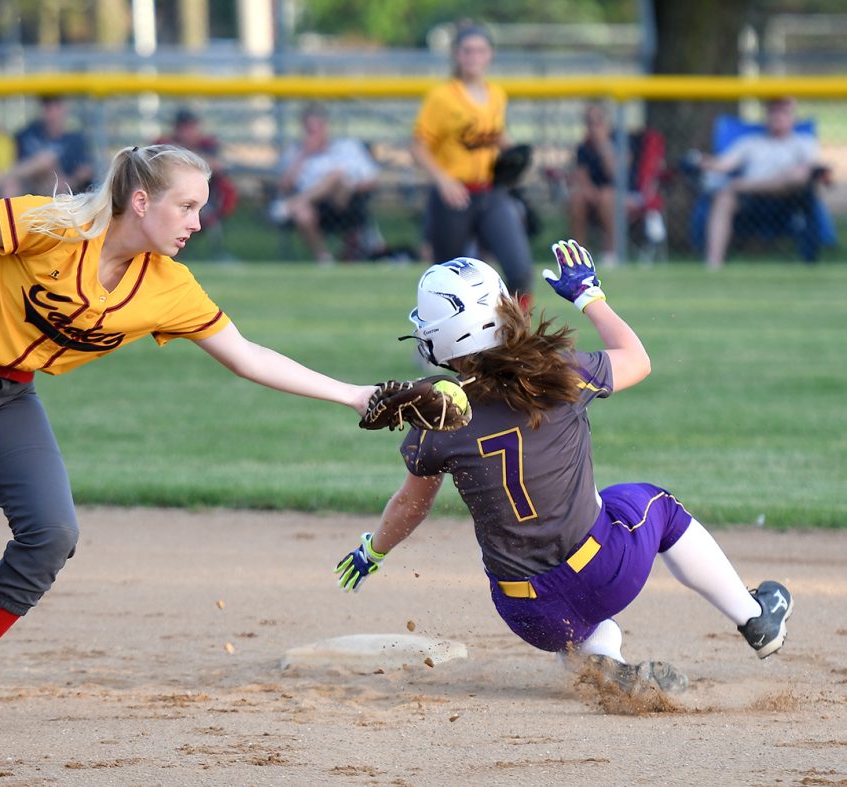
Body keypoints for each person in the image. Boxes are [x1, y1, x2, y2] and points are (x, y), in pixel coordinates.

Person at [0, 144, 378, 732]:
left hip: (9, 395)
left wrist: (355, 394)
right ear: (140, 201)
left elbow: (247, 357)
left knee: (52, 536)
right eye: (187, 206)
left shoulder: (168, 286)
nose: (198, 222)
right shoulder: (53, 225)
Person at [334, 240, 793, 695]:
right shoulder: (556, 373)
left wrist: (372, 552)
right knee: (652, 504)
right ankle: (754, 617)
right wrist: (589, 296)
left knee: (589, 614)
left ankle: (605, 661)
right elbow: (638, 361)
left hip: (527, 615)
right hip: (604, 574)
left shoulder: (435, 421)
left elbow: (410, 506)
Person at [410, 23, 534, 308]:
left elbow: (494, 133)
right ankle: (442, 332)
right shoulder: (442, 97)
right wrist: (443, 180)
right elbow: (418, 145)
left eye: (480, 50)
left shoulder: (496, 95)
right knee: (446, 280)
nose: (473, 57)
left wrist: (514, 152)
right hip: (455, 196)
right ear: (456, 54)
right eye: (467, 50)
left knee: (520, 271)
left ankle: (516, 332)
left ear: (490, 54)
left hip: (491, 192)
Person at [691, 96, 822, 269]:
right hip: (751, 201)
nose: (777, 117)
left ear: (793, 117)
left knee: (799, 176)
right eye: (772, 112)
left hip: (788, 199)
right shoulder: (751, 142)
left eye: (783, 112)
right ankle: (714, 264)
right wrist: (699, 160)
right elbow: (723, 164)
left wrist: (743, 184)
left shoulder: (803, 143)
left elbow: (808, 171)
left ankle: (809, 261)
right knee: (724, 198)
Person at [270, 104, 383, 264]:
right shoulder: (295, 151)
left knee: (336, 176)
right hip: (317, 207)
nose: (312, 134)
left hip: (346, 202)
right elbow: (284, 186)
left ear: (326, 127)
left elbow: (372, 178)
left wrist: (354, 187)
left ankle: (290, 205)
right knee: (302, 213)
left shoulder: (348, 147)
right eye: (308, 130)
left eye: (316, 129)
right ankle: (324, 258)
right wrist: (304, 155)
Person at [567, 103, 666, 267]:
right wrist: (590, 192)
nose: (593, 127)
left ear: (606, 122)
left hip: (629, 195)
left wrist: (603, 145)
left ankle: (611, 254)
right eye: (589, 122)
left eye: (597, 121)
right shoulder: (585, 148)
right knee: (577, 197)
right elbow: (582, 179)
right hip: (597, 196)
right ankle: (578, 259)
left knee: (607, 197)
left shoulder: (621, 140)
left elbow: (617, 174)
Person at [153, 108, 239, 253]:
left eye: (190, 127)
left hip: (204, 200)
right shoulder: (164, 143)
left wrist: (183, 155)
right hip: (170, 196)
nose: (187, 132)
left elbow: (217, 165)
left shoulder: (207, 143)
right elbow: (153, 165)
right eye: (183, 127)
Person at [0, 95, 95, 197]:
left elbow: (86, 170)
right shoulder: (28, 134)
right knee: (10, 186)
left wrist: (68, 182)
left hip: (62, 189)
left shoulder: (75, 139)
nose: (52, 113)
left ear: (64, 109)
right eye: (47, 107)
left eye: (56, 106)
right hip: (31, 186)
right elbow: (17, 163)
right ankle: (1, 182)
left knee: (47, 161)